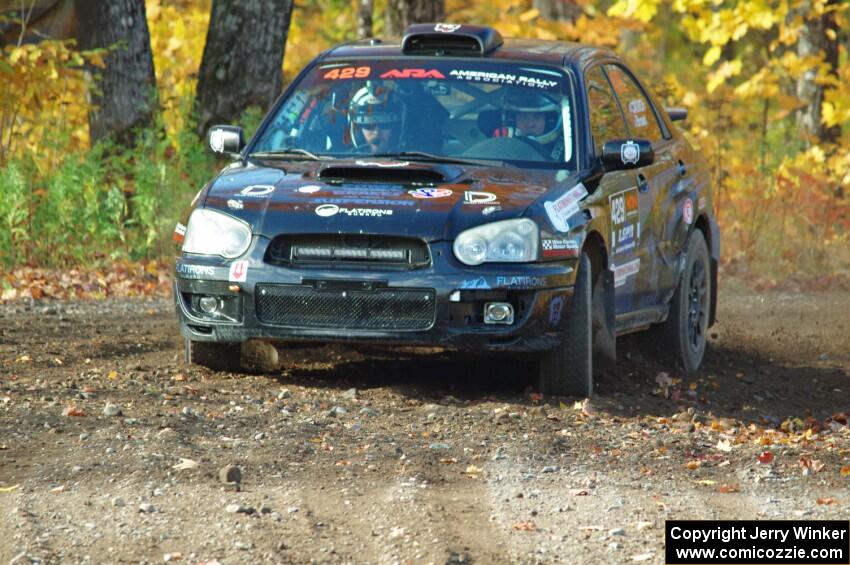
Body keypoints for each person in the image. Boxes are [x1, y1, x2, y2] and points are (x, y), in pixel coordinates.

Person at [500, 90, 564, 161]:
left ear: (549, 121)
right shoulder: (500, 145)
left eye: (537, 117)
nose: (530, 124)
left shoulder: (567, 151)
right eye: (523, 117)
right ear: (512, 120)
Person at [348, 84, 405, 153]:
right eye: (369, 125)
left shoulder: (413, 159)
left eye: (384, 125)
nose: (376, 132)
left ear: (396, 128)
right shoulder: (343, 161)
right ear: (358, 130)